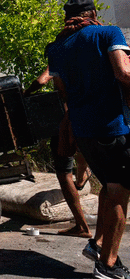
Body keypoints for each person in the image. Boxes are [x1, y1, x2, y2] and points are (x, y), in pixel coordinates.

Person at [46, 0, 130, 279]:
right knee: (120, 193)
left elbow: (62, 92)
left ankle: (96, 244)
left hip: (83, 132)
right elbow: (123, 72)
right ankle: (108, 265)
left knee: (109, 184)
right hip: (113, 127)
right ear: (93, 13)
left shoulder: (56, 48)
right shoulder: (108, 32)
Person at [25, 68, 92, 238]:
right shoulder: (81, 58)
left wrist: (26, 93)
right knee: (82, 152)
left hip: (65, 119)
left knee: (63, 175)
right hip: (84, 115)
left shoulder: (59, 57)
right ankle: (83, 174)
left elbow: (41, 81)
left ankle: (81, 226)